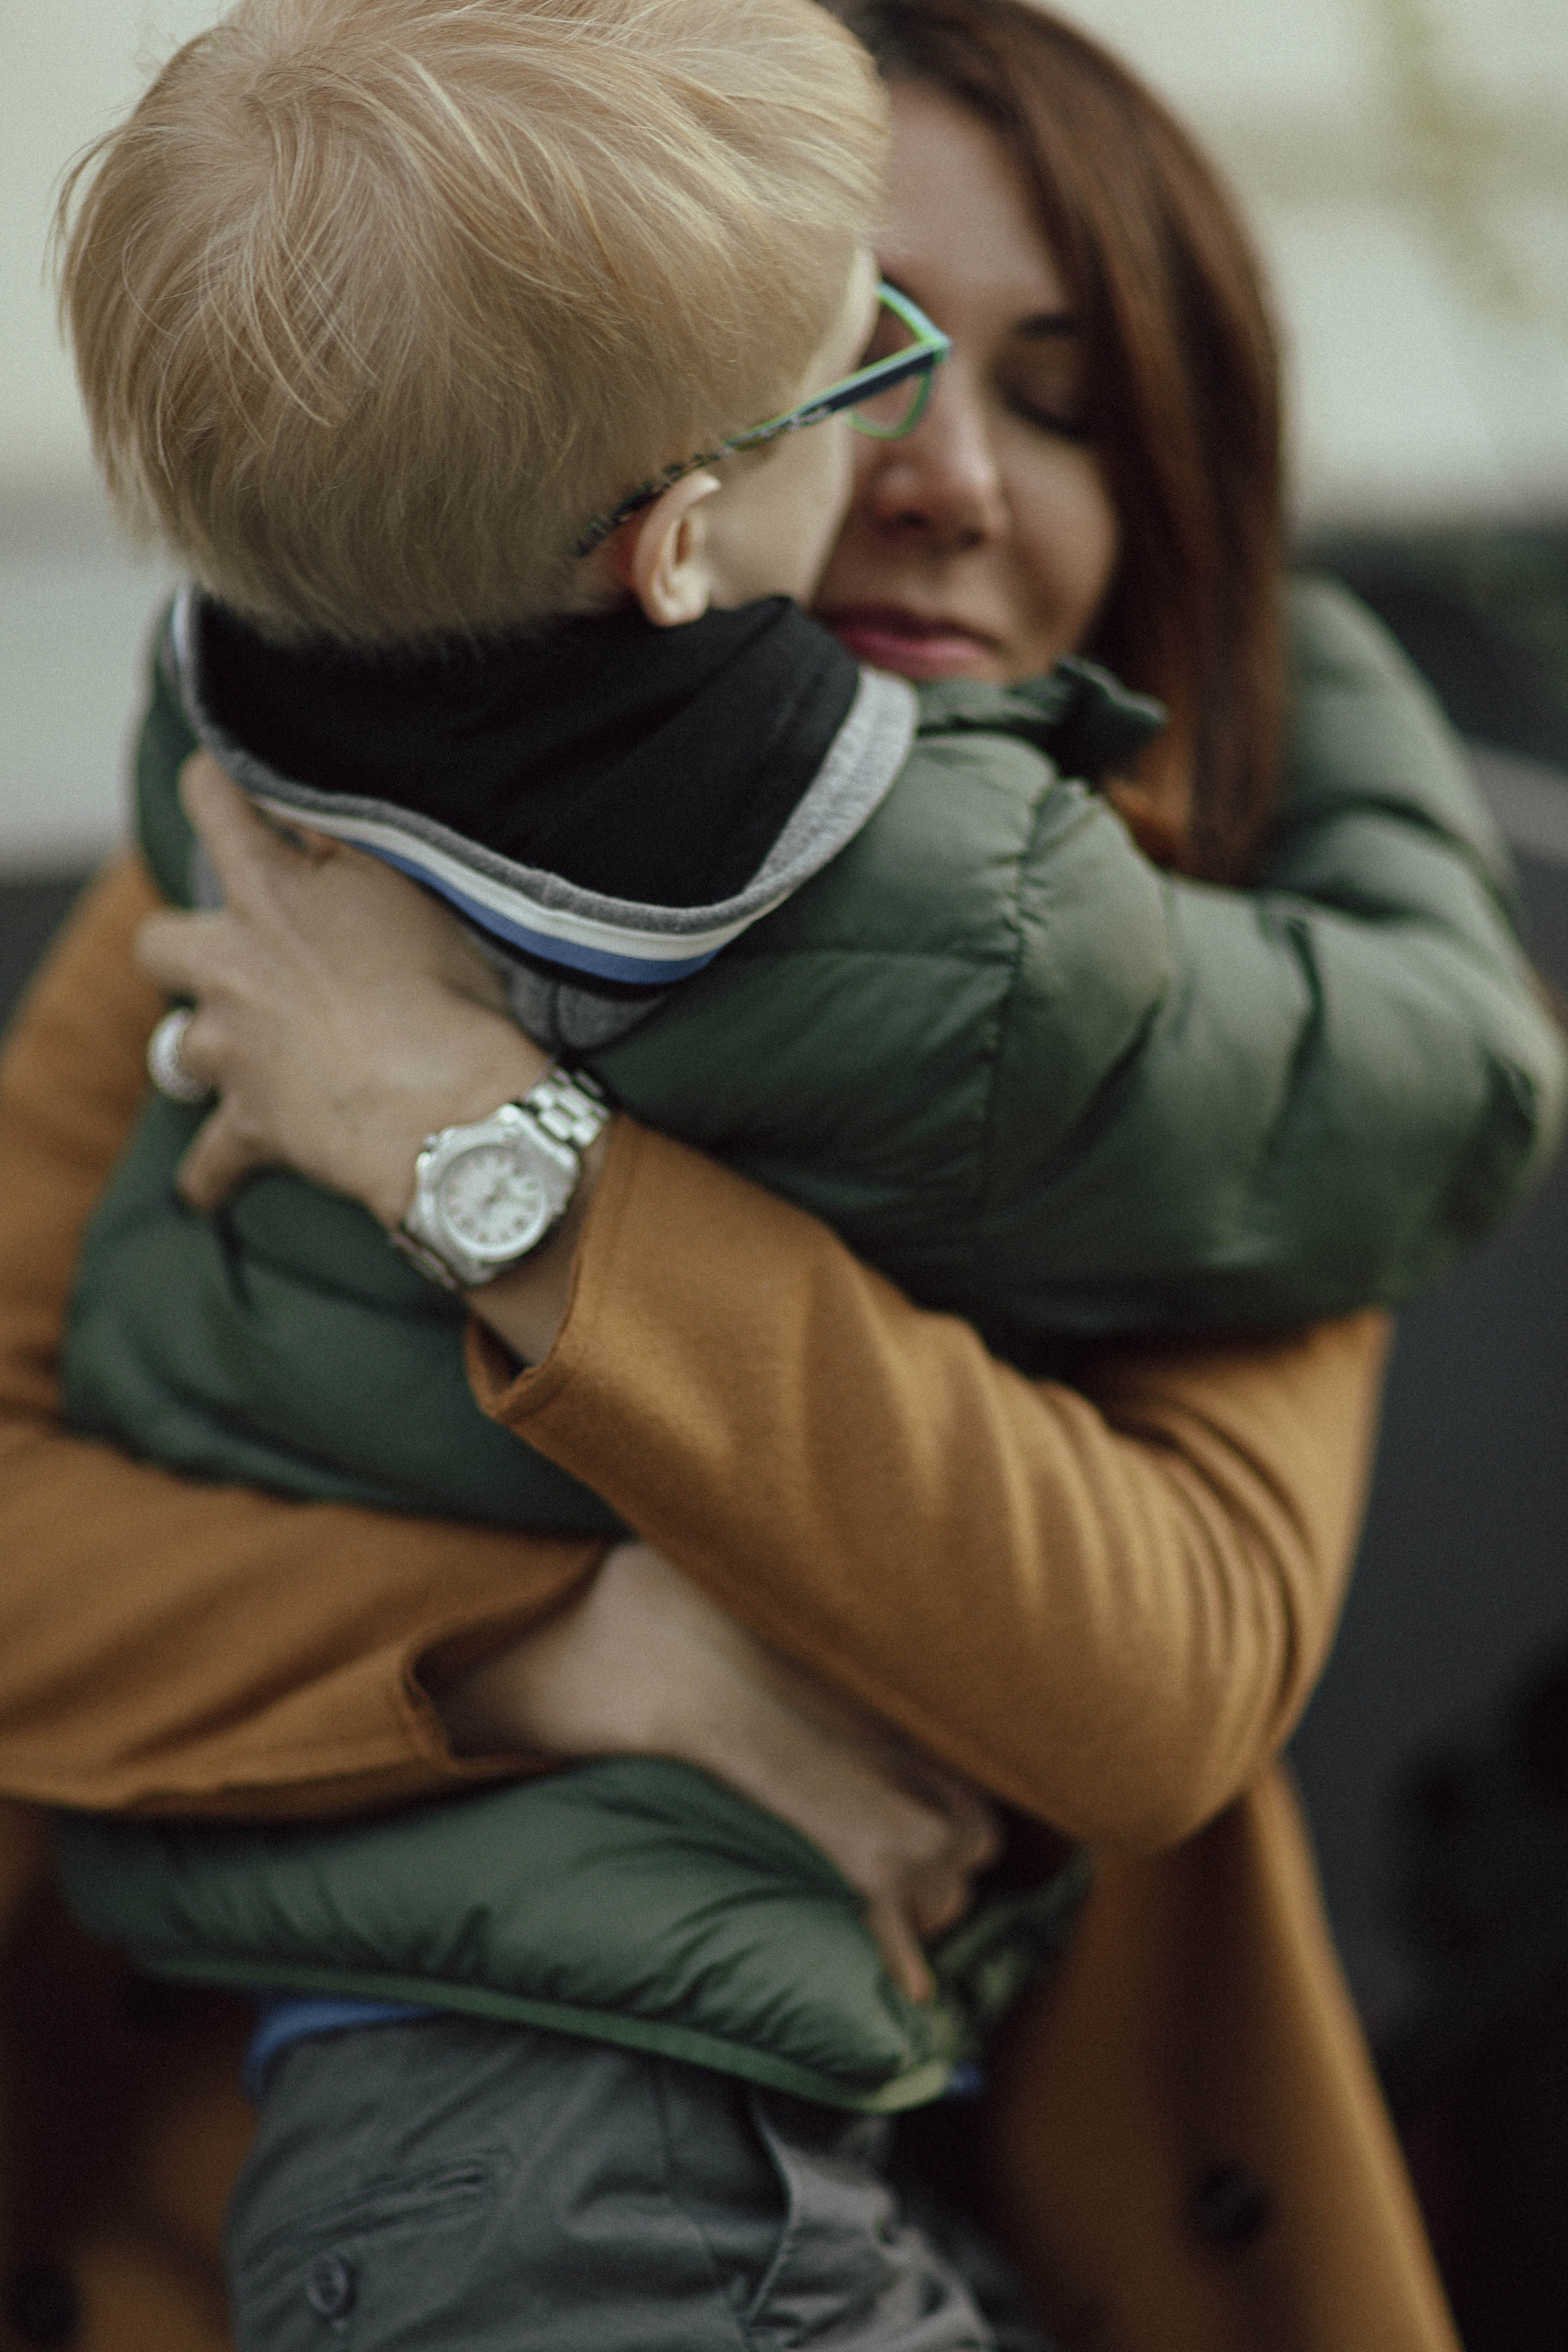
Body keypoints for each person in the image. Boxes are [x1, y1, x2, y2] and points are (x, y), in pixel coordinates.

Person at [0, 0, 1529, 2342]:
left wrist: (486, 1152)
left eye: (1072, 404)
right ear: (654, 486)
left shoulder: (1155, 944)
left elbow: (1157, 1670)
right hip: (407, 2191)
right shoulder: (260, 860)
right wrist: (566, 1656)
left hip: (1052, 2201)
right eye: (867, 350)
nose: (951, 472)